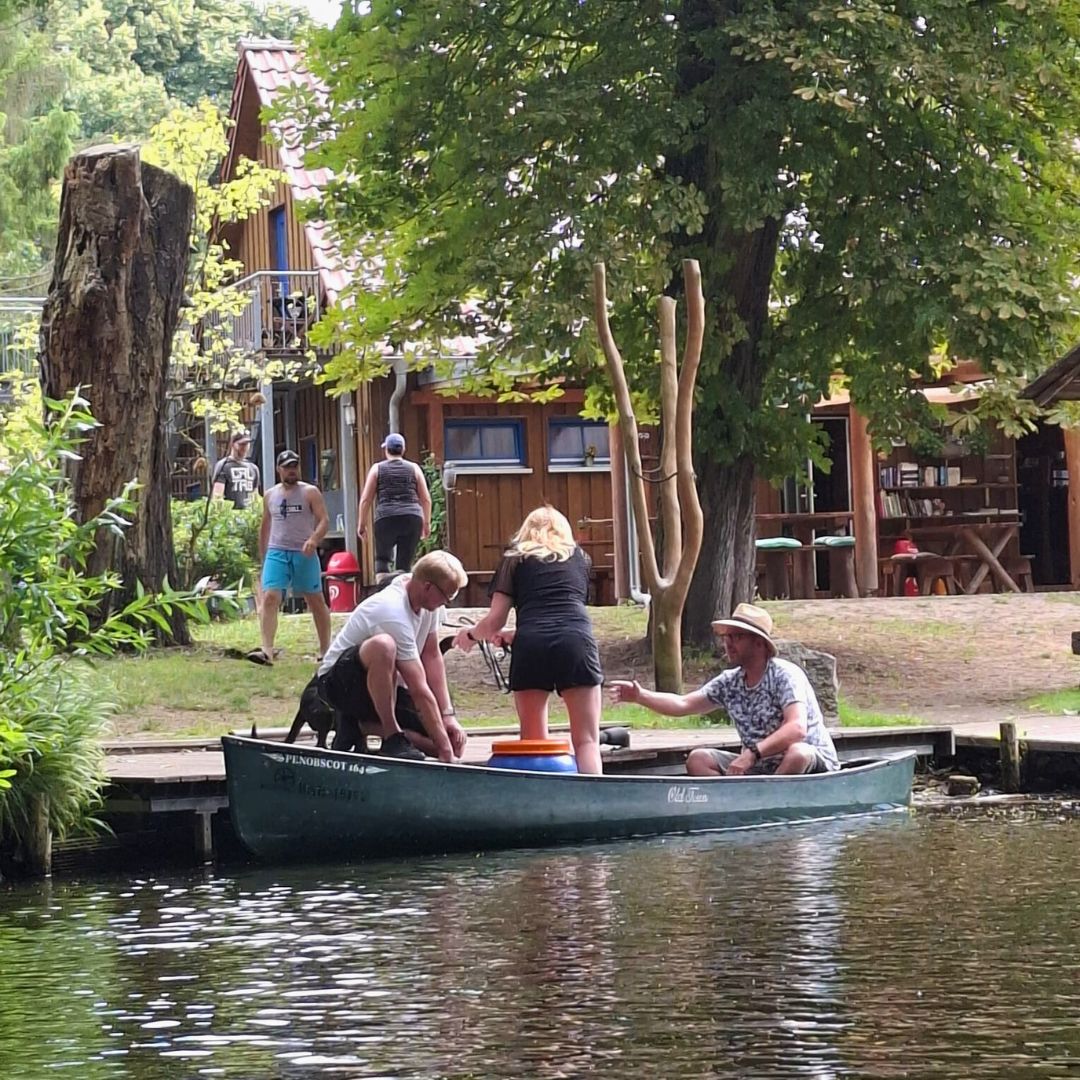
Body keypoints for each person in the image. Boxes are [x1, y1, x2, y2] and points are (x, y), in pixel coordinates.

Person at [453, 506, 604, 774]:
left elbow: (495, 620)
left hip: (531, 645)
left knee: (533, 743)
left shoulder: (515, 559)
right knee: (587, 741)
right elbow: (562, 609)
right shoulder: (581, 558)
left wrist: (470, 635)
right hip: (575, 642)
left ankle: (538, 803)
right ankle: (595, 803)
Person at [609, 603, 839, 777]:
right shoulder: (730, 681)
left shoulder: (785, 675)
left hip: (806, 762)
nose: (728, 643)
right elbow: (684, 704)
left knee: (798, 753)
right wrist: (640, 696)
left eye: (737, 637)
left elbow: (796, 728)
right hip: (759, 766)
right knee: (698, 759)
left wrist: (751, 754)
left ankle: (768, 801)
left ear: (759, 643)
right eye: (727, 636)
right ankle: (734, 802)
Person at [317, 551, 469, 762]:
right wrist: (447, 757)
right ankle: (391, 735)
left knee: (450, 743)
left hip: (386, 688)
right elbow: (418, 688)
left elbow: (432, 655)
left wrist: (447, 717)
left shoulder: (428, 600)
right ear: (427, 586)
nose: (447, 603)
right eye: (448, 597)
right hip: (339, 684)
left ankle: (362, 726)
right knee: (384, 645)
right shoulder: (392, 610)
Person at [250, 449, 332, 665]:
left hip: (303, 551)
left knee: (315, 599)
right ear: (279, 470)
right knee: (270, 597)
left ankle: (326, 648)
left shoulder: (310, 492)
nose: (291, 471)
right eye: (287, 467)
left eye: (294, 466)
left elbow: (324, 520)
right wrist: (263, 555)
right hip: (277, 551)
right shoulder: (270, 495)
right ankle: (266, 649)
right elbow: (265, 525)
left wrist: (314, 539)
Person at [357, 433, 431, 576]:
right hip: (412, 517)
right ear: (403, 450)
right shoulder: (414, 468)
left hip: (386, 517)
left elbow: (366, 499)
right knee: (405, 564)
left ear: (386, 450)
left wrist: (362, 524)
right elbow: (426, 499)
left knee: (382, 559)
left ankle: (383, 589)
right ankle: (401, 592)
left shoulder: (377, 469)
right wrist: (426, 523)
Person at [210, 430, 260, 509]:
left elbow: (255, 496)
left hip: (249, 517)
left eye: (247, 444)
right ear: (233, 444)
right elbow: (217, 497)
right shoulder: (223, 466)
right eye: (241, 444)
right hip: (231, 517)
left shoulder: (253, 468)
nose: (245, 447)